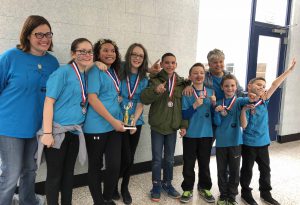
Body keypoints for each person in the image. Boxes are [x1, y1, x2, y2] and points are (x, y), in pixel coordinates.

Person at [0, 15, 59, 205]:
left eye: (48, 34)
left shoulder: (53, 63)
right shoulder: (10, 57)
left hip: (37, 128)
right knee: (11, 173)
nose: (44, 38)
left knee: (30, 169)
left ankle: (28, 201)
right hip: (10, 127)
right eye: (38, 34)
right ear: (27, 35)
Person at [37, 38, 94, 205]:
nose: (86, 54)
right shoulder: (62, 73)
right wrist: (47, 133)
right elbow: (49, 102)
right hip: (57, 132)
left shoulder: (86, 75)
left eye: (89, 51)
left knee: (69, 174)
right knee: (55, 176)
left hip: (75, 132)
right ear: (73, 53)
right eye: (81, 51)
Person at [240, 59, 297, 205]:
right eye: (259, 84)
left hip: (263, 142)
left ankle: (266, 193)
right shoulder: (245, 102)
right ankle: (246, 193)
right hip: (249, 143)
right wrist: (245, 109)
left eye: (263, 86)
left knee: (265, 170)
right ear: (249, 86)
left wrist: (289, 71)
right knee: (247, 170)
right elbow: (243, 125)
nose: (262, 87)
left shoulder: (264, 99)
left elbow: (275, 84)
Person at [140, 53, 190, 202]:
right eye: (167, 62)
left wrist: (183, 125)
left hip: (172, 127)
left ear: (176, 64)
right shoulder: (154, 80)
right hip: (158, 126)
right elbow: (144, 99)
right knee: (156, 159)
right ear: (161, 64)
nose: (170, 65)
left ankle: (167, 184)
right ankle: (156, 185)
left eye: (173, 63)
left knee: (169, 159)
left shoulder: (182, 83)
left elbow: (184, 106)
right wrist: (156, 91)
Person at [83, 39, 125, 205]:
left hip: (114, 125)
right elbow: (92, 99)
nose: (110, 53)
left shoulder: (114, 71)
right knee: (95, 165)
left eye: (113, 51)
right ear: (98, 53)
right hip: (97, 126)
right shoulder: (94, 70)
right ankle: (98, 202)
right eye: (105, 50)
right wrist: (113, 121)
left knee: (114, 165)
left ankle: (107, 198)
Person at [112, 43, 149, 205]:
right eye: (134, 54)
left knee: (130, 157)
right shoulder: (119, 73)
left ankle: (124, 187)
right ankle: (112, 185)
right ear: (128, 55)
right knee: (122, 157)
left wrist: (134, 121)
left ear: (143, 59)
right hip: (118, 120)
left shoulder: (144, 79)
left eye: (140, 55)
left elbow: (141, 102)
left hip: (135, 121)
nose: (137, 58)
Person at [179, 63, 216, 204]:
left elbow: (214, 114)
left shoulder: (211, 92)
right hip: (190, 134)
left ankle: (204, 187)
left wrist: (213, 105)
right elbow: (184, 114)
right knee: (188, 163)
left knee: (204, 163)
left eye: (201, 72)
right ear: (190, 76)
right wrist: (194, 105)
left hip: (206, 134)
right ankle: (187, 188)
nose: (199, 75)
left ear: (205, 75)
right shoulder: (187, 92)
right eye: (195, 73)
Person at [213, 74, 253, 205]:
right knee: (221, 170)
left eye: (232, 85)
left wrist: (254, 93)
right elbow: (217, 122)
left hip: (236, 141)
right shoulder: (219, 103)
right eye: (226, 86)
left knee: (235, 170)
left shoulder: (239, 101)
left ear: (236, 87)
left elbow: (250, 100)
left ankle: (232, 196)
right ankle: (223, 195)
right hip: (221, 142)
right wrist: (218, 112)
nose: (229, 88)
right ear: (222, 87)